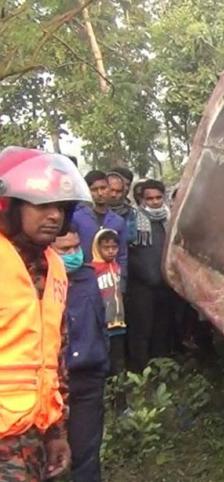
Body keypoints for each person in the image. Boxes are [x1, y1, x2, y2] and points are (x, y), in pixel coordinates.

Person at [0, 146, 92, 480]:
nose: (53, 215)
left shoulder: (53, 266)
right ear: (10, 206)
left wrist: (56, 432)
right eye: (41, 205)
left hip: (34, 432)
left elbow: (55, 358)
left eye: (60, 207)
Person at [51, 227, 109, 482]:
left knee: (86, 453)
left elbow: (101, 322)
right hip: (50, 384)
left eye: (76, 247)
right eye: (65, 250)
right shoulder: (37, 281)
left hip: (88, 376)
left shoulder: (88, 277)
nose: (73, 254)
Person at [127, 179, 175, 372]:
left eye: (158, 197)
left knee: (162, 327)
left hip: (165, 284)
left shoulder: (170, 219)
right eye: (150, 198)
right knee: (142, 328)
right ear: (142, 199)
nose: (155, 202)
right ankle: (141, 370)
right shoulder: (134, 221)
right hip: (141, 285)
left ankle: (161, 367)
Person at [72, 170, 128, 291]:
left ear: (109, 188)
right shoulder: (76, 218)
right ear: (87, 191)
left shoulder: (118, 221)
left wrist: (121, 281)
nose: (100, 193)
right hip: (83, 280)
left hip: (110, 280)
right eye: (94, 189)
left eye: (103, 188)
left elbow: (122, 255)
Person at [91, 228, 127, 377]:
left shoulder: (117, 267)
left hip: (118, 321)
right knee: (103, 358)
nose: (111, 251)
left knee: (117, 359)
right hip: (102, 324)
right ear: (97, 248)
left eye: (114, 248)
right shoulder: (93, 269)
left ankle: (118, 390)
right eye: (106, 248)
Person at [106, 170, 137, 243]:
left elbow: (130, 237)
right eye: (111, 190)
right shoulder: (92, 210)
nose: (114, 195)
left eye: (118, 191)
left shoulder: (129, 212)